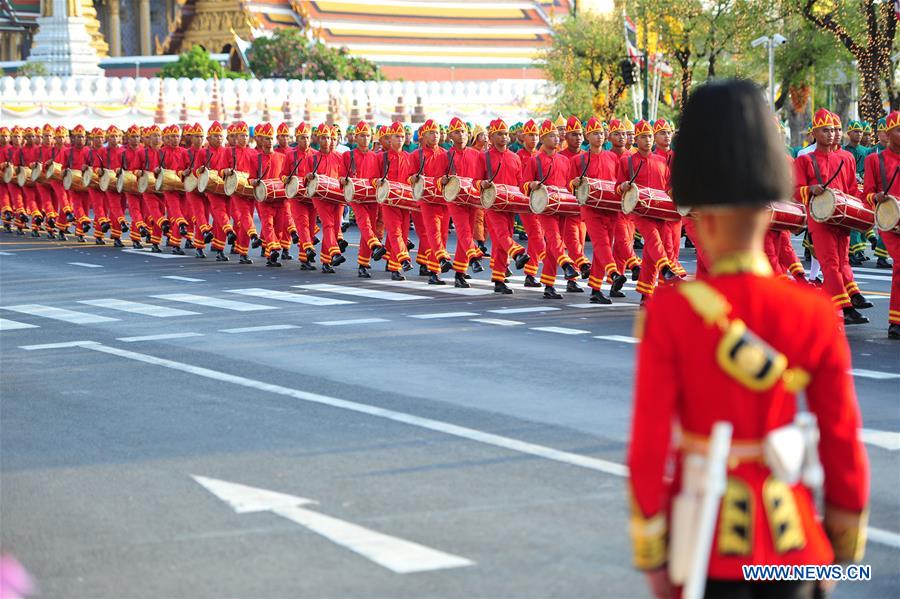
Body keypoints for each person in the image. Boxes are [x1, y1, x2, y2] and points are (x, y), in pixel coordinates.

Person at [628, 78, 869, 599]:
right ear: (770, 204)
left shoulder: (671, 311)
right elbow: (843, 441)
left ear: (698, 212)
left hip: (706, 544)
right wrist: (841, 548)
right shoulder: (812, 311)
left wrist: (653, 551)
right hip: (793, 543)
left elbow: (648, 449)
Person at [795, 109, 873, 324]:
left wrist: (865, 206)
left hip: (842, 217)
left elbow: (851, 190)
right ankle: (846, 308)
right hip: (818, 218)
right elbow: (794, 190)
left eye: (834, 130)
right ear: (814, 133)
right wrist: (810, 189)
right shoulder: (805, 160)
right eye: (825, 130)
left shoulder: (846, 158)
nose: (831, 134)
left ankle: (850, 296)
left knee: (843, 260)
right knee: (830, 262)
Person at [616, 119, 681, 302]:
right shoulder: (627, 161)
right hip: (641, 211)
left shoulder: (661, 161)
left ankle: (645, 293)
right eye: (643, 137)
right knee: (653, 239)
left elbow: (668, 187)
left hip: (660, 210)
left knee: (651, 252)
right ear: (636, 140)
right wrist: (623, 186)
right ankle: (666, 269)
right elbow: (617, 187)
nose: (647, 140)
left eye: (650, 136)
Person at [568, 117, 628, 303]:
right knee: (601, 244)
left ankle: (595, 289)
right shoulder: (579, 159)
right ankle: (613, 272)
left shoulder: (613, 157)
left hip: (610, 209)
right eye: (595, 134)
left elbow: (618, 183)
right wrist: (575, 183)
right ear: (588, 136)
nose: (599, 137)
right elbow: (569, 184)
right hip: (591, 209)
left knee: (604, 247)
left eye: (602, 133)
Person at [520, 119, 580, 299]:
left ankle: (548, 285)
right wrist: (532, 184)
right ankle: (567, 265)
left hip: (562, 206)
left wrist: (574, 184)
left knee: (555, 243)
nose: (557, 139)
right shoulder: (535, 160)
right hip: (545, 207)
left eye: (557, 136)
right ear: (544, 139)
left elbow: (569, 185)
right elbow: (523, 185)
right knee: (554, 239)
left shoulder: (564, 160)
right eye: (552, 136)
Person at [862, 110, 900, 339]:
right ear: (887, 134)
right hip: (890, 223)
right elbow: (865, 194)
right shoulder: (874, 160)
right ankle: (895, 322)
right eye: (899, 129)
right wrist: (875, 197)